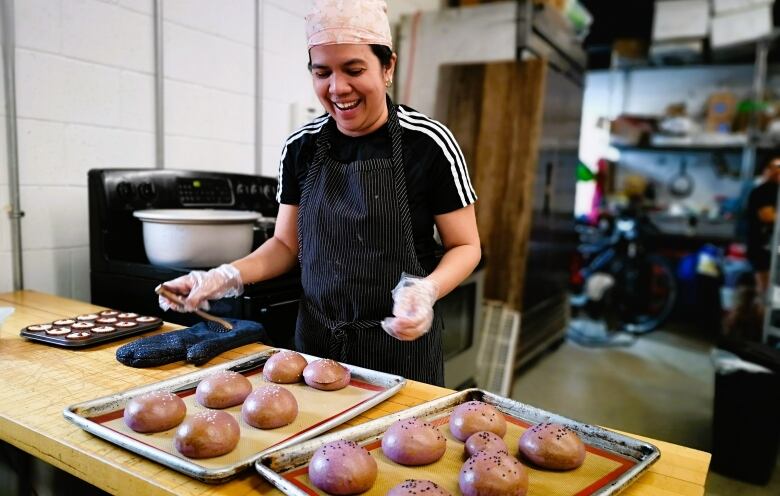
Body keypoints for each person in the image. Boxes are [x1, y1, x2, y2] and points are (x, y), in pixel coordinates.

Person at [158, 0, 481, 386]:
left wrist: (425, 291)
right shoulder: (301, 147)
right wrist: (221, 277)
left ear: (388, 66)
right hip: (315, 345)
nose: (337, 88)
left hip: (401, 347)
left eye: (354, 69)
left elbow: (465, 246)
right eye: (322, 72)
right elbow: (284, 245)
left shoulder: (428, 143)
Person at [746, 156, 780, 294]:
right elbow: (767, 215)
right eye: (775, 167)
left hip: (773, 248)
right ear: (766, 170)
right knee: (765, 291)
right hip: (761, 248)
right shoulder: (762, 191)